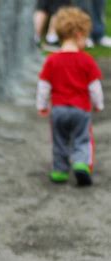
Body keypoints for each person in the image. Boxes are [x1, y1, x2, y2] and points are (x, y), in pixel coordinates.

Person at [36, 7, 105, 186]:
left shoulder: (52, 60)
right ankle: (81, 164)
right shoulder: (87, 61)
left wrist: (42, 105)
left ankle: (60, 171)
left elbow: (44, 86)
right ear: (80, 34)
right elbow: (94, 88)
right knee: (82, 139)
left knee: (59, 140)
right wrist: (98, 105)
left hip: (58, 110)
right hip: (80, 109)